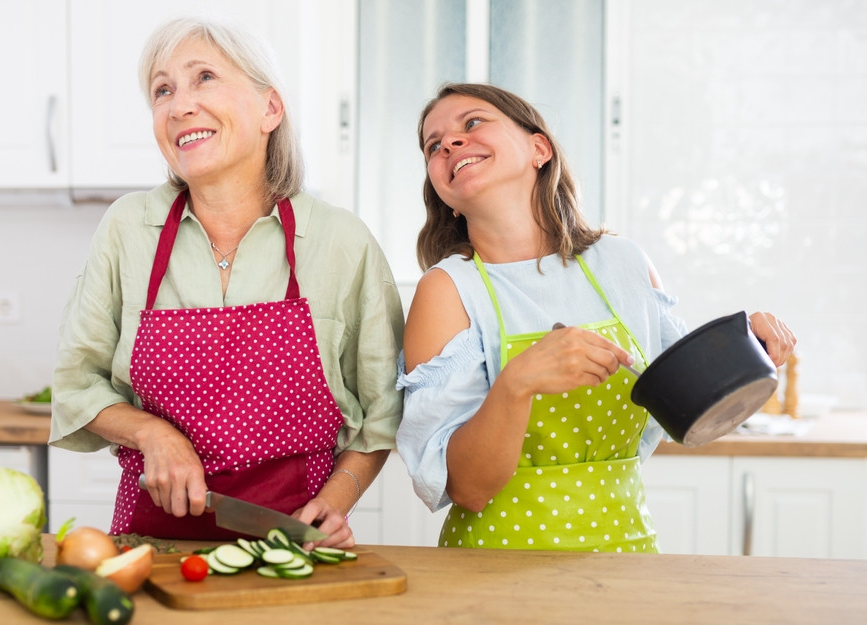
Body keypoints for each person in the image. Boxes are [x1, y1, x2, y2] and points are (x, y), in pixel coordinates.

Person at [49, 18, 403, 548]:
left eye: (204, 78)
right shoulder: (127, 229)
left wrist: (335, 503)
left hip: (292, 544)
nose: (179, 105)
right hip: (151, 547)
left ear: (270, 109)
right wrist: (154, 435)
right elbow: (78, 384)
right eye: (162, 90)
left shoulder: (340, 241)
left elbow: (382, 410)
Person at [396, 83, 796, 552]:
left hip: (628, 554)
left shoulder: (624, 263)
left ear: (538, 149)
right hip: (494, 568)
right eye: (433, 145)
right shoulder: (446, 291)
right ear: (443, 191)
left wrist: (747, 351)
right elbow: (468, 488)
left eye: (473, 123)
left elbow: (687, 407)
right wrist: (516, 383)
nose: (449, 144)